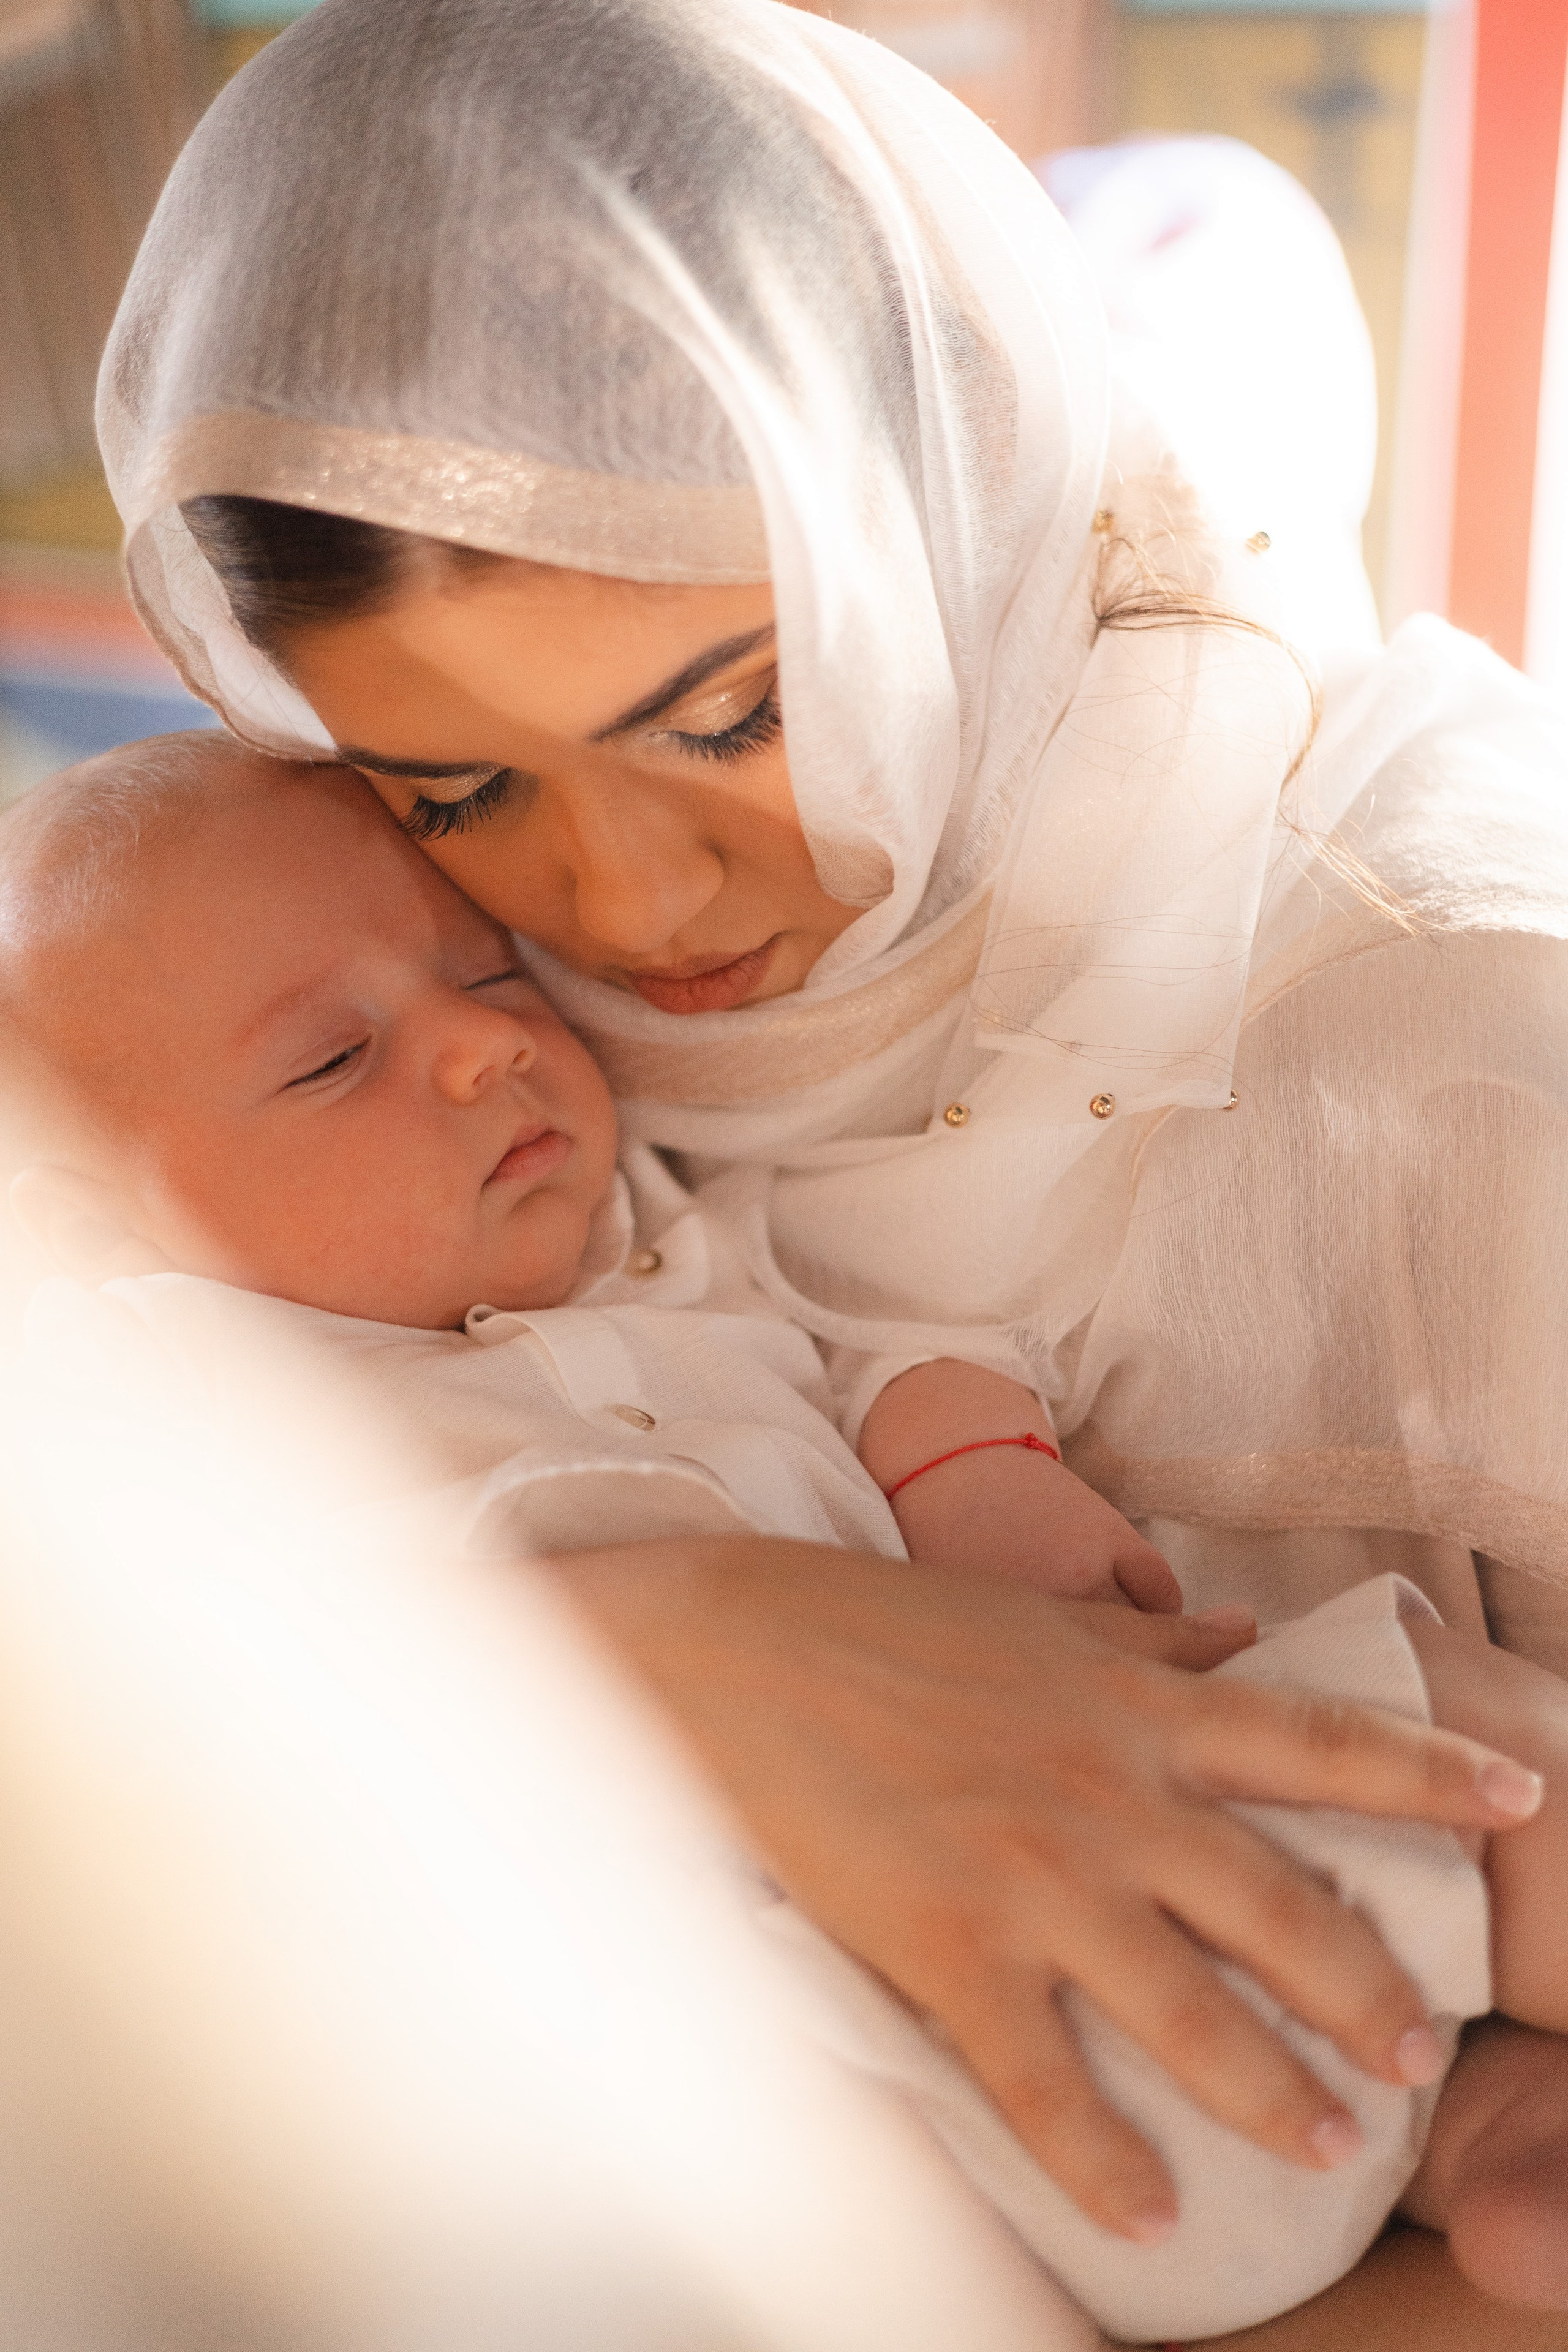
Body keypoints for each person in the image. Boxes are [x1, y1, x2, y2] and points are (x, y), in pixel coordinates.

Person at [92, 0, 1568, 2338]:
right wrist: (647, 1642)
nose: (635, 916)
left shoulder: (1474, 1036)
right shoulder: (386, 1054)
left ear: (948, 521)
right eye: (455, 790)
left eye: (737, 716)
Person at [5, 733, 1567, 2343]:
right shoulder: (153, 1394)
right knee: (1441, 1749)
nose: (482, 1045)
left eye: (492, 973)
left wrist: (968, 1462)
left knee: (1422, 1768)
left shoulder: (660, 1230)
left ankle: (1491, 2150)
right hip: (785, 2099)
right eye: (333, 1059)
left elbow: (875, 1316)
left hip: (1146, 1921)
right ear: (80, 1218)